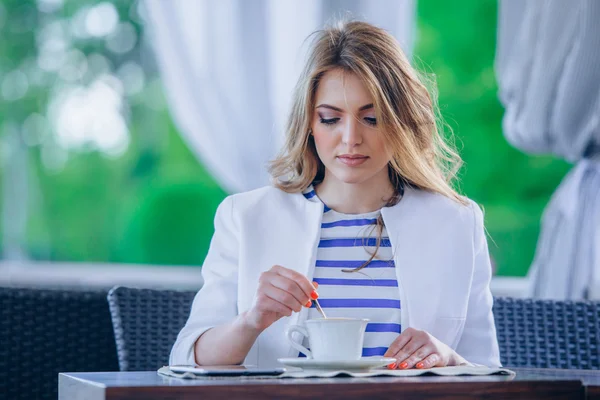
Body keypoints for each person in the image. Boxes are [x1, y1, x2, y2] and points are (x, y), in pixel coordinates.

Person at [170, 19, 501, 369]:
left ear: (401, 121)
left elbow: (490, 372)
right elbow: (186, 361)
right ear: (309, 124)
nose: (350, 138)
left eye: (371, 119)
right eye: (330, 118)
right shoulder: (246, 217)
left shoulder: (457, 223)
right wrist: (251, 320)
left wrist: (449, 359)